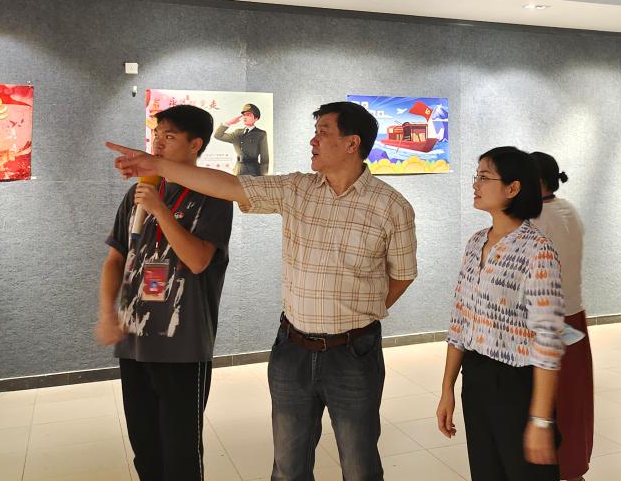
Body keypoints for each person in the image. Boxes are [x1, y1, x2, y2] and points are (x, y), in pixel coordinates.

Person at [108, 101, 417, 481]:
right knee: (288, 467)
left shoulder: (391, 206)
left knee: (359, 465)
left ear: (352, 144)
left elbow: (403, 275)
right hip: (293, 348)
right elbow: (229, 185)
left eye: (322, 133)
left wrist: (359, 314)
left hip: (353, 352)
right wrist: (155, 165)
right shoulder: (297, 188)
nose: (313, 140)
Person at [96, 105, 234, 481]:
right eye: (156, 134)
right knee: (146, 450)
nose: (157, 143)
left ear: (195, 144)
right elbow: (115, 259)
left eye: (169, 136)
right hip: (134, 343)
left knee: (181, 454)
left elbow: (198, 260)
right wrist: (107, 313)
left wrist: (160, 211)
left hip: (182, 347)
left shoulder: (213, 195)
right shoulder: (139, 192)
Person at [437, 147, 564, 481]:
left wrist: (540, 420)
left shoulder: (537, 250)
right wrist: (447, 388)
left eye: (484, 177)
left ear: (513, 188)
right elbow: (459, 320)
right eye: (476, 176)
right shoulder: (475, 243)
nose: (475, 184)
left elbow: (548, 341)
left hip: (517, 385)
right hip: (476, 379)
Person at [530, 151, 593, 481]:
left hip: (543, 321)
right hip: (573, 315)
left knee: (547, 400)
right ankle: (573, 468)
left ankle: (551, 467)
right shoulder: (570, 210)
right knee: (573, 400)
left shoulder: (534, 219)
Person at [214, 102, 269, 176]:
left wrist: (263, 176)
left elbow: (264, 158)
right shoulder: (237, 133)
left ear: (256, 118)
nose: (245, 117)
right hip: (238, 170)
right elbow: (217, 135)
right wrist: (229, 123)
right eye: (244, 115)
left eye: (248, 115)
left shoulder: (260, 134)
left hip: (253, 171)